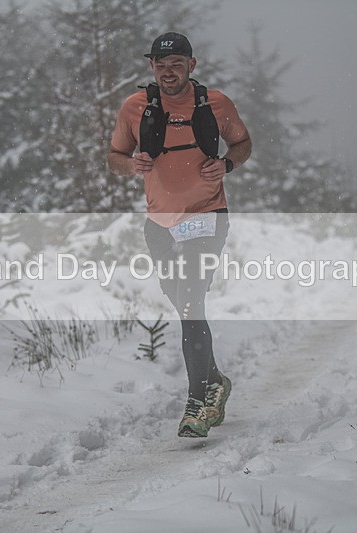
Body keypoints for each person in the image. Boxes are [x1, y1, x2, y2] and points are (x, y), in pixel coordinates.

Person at [107, 32, 252, 438]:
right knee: (180, 299)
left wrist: (227, 165)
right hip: (160, 223)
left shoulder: (216, 104)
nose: (168, 72)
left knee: (190, 300)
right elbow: (113, 158)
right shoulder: (135, 107)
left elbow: (242, 144)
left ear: (192, 65)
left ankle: (198, 402)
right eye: (160, 65)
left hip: (207, 216)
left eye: (176, 64)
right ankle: (215, 380)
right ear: (151, 66)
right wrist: (130, 165)